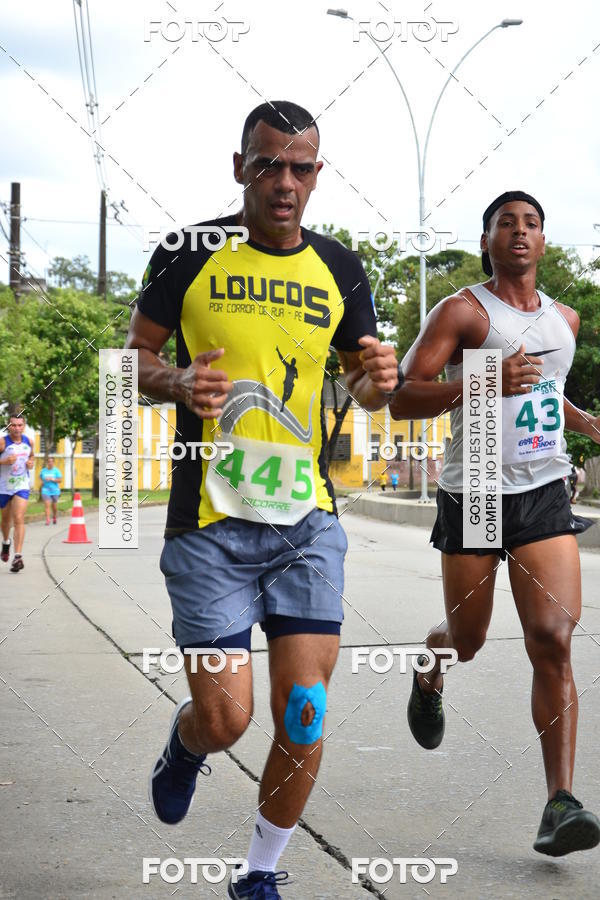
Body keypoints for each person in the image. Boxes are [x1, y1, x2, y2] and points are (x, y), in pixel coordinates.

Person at [126, 101, 400, 899]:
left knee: (305, 713)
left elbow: (359, 381)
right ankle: (186, 746)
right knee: (225, 721)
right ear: (239, 165)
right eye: (267, 163)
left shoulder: (343, 268)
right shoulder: (187, 253)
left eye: (301, 166)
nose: (284, 182)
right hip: (209, 525)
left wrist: (377, 384)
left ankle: (259, 874)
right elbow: (131, 363)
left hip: (305, 524)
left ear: (319, 173)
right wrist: (176, 377)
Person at [390, 191, 600, 856]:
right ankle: (431, 669)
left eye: (532, 223)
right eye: (506, 223)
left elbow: (544, 388)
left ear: (543, 242)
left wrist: (586, 422)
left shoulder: (564, 319)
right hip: (474, 487)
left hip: (542, 490)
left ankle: (559, 803)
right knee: (468, 639)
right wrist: (481, 383)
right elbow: (401, 397)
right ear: (487, 240)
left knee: (552, 639)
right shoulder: (462, 310)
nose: (519, 232)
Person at [0, 413, 34, 573]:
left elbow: (31, 457)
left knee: (19, 518)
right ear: (9, 426)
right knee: (5, 520)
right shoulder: (2, 442)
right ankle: (6, 542)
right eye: (13, 425)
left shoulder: (29, 442)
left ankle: (18, 556)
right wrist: (4, 461)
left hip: (22, 485)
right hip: (4, 487)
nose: (17, 428)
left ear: (24, 426)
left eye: (20, 425)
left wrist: (30, 463)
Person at [40, 456, 62, 524]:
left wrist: (52, 479)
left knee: (54, 506)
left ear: (53, 462)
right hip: (45, 490)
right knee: (47, 505)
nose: (50, 463)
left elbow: (60, 480)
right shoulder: (43, 470)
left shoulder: (56, 471)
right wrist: (42, 482)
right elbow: (40, 477)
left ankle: (54, 516)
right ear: (47, 462)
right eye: (49, 462)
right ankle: (47, 519)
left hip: (55, 490)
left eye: (52, 462)